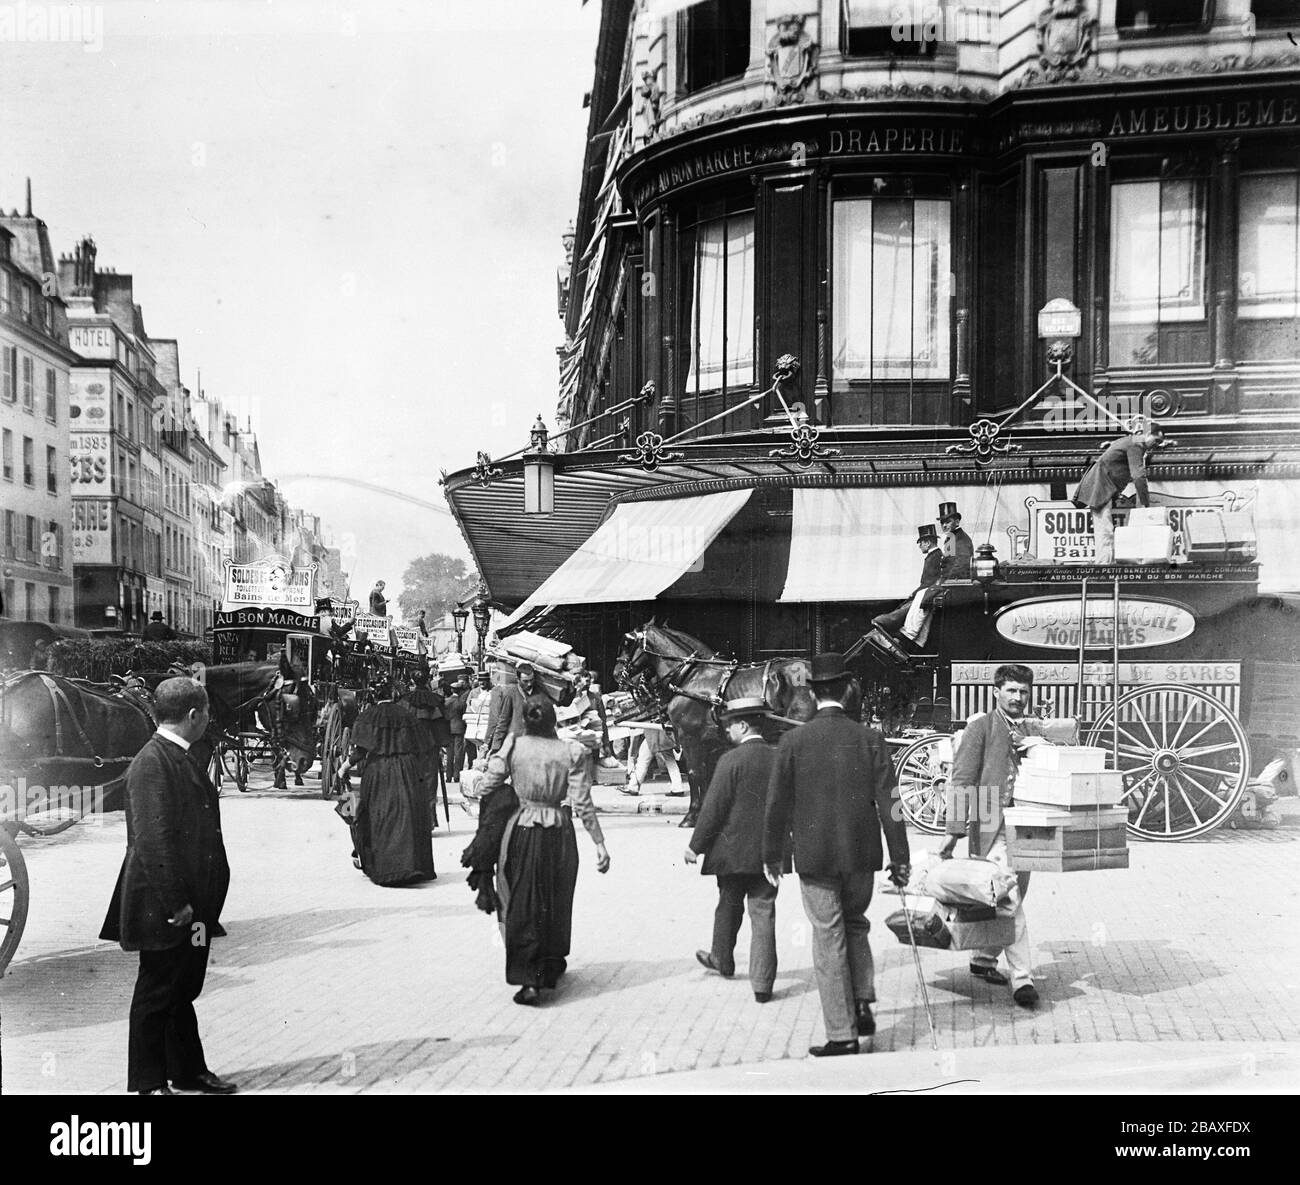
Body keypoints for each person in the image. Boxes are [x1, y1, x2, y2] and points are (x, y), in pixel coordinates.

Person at [763, 653, 910, 1058]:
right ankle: (862, 999)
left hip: (815, 856)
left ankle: (842, 1033)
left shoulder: (792, 741)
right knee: (856, 924)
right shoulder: (871, 739)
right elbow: (892, 802)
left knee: (828, 936)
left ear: (811, 692)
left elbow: (776, 804)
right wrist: (901, 858)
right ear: (847, 690)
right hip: (862, 853)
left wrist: (772, 855)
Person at [99, 677, 236, 1095]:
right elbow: (152, 841)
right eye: (207, 713)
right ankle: (148, 1083)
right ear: (194, 715)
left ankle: (188, 1071)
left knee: (181, 988)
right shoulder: (152, 762)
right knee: (157, 993)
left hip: (193, 904)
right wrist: (177, 903)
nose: (208, 719)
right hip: (167, 906)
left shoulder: (177, 755)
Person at [477, 701, 611, 1005]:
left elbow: (489, 784)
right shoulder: (571, 752)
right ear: (554, 722)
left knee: (524, 900)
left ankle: (530, 979)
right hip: (560, 833)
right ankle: (552, 962)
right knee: (556, 897)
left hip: (522, 830)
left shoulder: (514, 745)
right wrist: (599, 843)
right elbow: (582, 802)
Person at [941, 663, 1055, 1008]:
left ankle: (983, 959)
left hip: (1030, 824)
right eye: (1011, 690)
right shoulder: (981, 726)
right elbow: (961, 780)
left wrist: (1042, 740)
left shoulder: (1032, 727)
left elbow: (1070, 736)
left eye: (1023, 691)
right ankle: (1023, 979)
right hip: (993, 823)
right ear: (996, 691)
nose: (1018, 697)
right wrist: (954, 832)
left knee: (1014, 894)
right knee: (1009, 900)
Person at [686, 697, 788, 1003]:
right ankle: (762, 984)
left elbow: (713, 808)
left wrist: (695, 846)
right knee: (764, 913)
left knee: (728, 904)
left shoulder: (730, 761)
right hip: (770, 854)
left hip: (731, 853)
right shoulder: (778, 758)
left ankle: (722, 959)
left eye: (730, 726)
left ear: (743, 725)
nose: (727, 732)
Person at [338, 681, 437, 886]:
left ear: (374, 695)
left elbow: (360, 751)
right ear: (393, 695)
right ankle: (413, 865)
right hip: (408, 771)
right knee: (408, 816)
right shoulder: (407, 715)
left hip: (379, 771)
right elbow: (423, 746)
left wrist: (344, 768)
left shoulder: (368, 717)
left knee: (378, 815)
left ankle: (385, 867)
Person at [1073, 421, 1165, 563]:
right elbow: (1138, 476)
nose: (1157, 445)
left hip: (1102, 486)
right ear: (1147, 434)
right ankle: (1103, 567)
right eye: (1156, 440)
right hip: (1101, 487)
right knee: (1105, 529)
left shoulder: (1130, 441)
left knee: (1104, 528)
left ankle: (1104, 564)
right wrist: (1146, 505)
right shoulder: (1136, 444)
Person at [871, 524, 944, 639]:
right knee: (907, 606)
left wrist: (914, 593)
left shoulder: (933, 557)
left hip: (928, 591)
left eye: (921, 543)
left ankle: (888, 623)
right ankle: (890, 624)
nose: (919, 546)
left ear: (928, 543)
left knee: (909, 605)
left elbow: (927, 582)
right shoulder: (936, 555)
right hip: (928, 590)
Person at [405, 664, 450, 826]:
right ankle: (429, 820)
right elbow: (441, 725)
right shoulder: (435, 701)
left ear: (412, 680)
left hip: (410, 747)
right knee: (430, 783)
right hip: (430, 747)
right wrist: (443, 744)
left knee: (411, 782)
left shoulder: (405, 701)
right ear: (428, 680)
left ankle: (413, 821)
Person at [484, 661, 552, 756]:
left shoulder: (539, 694)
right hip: (515, 745)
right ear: (518, 679)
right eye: (525, 681)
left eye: (531, 680)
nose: (529, 684)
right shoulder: (510, 694)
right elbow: (503, 722)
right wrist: (495, 747)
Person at [937, 503, 974, 579]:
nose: (944, 525)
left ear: (957, 522)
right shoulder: (952, 537)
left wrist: (946, 580)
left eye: (948, 522)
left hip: (956, 583)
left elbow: (962, 565)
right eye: (942, 522)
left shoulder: (961, 539)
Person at [445, 677, 470, 782]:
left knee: (449, 753)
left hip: (448, 728)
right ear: (460, 691)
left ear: (451, 690)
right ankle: (456, 776)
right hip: (459, 728)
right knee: (458, 753)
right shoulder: (461, 703)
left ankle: (448, 776)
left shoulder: (446, 702)